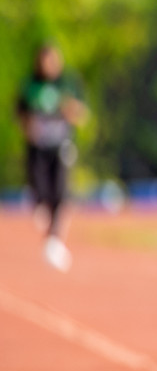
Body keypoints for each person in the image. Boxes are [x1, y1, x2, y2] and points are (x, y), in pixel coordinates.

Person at [16, 44, 88, 271]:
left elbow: (82, 114)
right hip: (37, 148)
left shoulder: (68, 84)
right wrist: (30, 127)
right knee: (40, 191)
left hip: (61, 146)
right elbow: (20, 115)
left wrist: (71, 110)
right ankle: (44, 217)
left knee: (61, 193)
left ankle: (55, 240)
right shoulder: (30, 85)